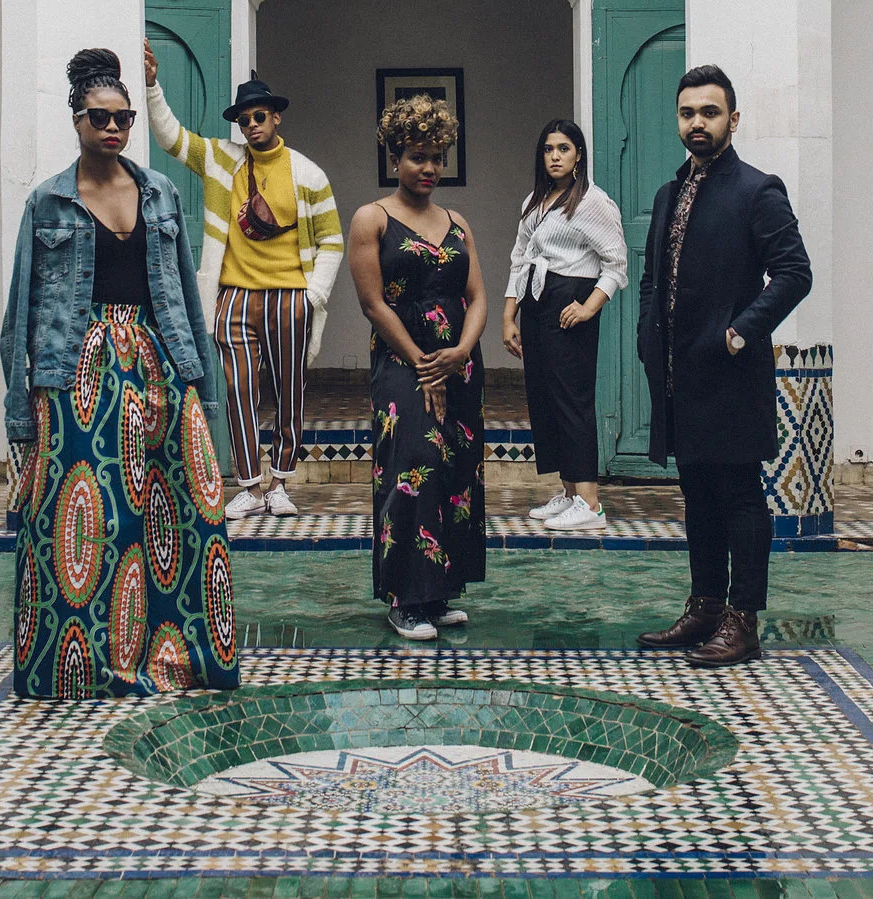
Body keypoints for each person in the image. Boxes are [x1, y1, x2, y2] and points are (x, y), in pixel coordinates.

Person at [0, 48, 238, 699]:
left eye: (124, 117)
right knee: (91, 519)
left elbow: (187, 299)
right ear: (76, 119)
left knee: (180, 511)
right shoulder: (46, 202)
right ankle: (78, 665)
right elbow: (18, 313)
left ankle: (175, 659)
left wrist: (203, 392)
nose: (113, 127)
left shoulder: (158, 193)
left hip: (159, 366)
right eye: (100, 117)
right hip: (77, 374)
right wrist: (21, 413)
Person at [633, 64, 813, 668]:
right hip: (680, 377)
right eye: (688, 113)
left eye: (709, 113)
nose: (697, 123)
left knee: (739, 496)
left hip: (732, 374)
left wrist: (739, 332)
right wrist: (645, 337)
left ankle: (743, 621)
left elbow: (794, 274)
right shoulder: (667, 193)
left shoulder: (758, 190)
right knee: (698, 494)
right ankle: (706, 607)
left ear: (732, 120)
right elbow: (654, 278)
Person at [143, 45, 344, 520]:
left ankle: (280, 483)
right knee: (239, 391)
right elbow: (171, 137)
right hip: (233, 296)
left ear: (276, 118)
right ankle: (251, 486)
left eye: (259, 116)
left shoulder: (307, 173)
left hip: (288, 298)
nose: (251, 125)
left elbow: (332, 241)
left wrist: (311, 297)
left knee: (290, 390)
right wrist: (152, 85)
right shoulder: (222, 160)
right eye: (244, 119)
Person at [348, 94, 488, 640]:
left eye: (436, 157)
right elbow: (373, 304)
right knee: (411, 465)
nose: (428, 168)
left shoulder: (457, 222)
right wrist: (424, 365)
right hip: (404, 363)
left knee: (455, 470)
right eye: (416, 156)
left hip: (459, 365)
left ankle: (439, 593)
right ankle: (405, 597)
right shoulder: (372, 219)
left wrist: (458, 355)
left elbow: (477, 296)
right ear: (393, 157)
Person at [501, 119, 628, 533]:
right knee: (545, 396)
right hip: (536, 301)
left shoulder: (593, 202)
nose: (555, 156)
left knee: (572, 399)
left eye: (564, 149)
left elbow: (616, 261)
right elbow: (519, 258)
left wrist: (590, 306)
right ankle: (570, 491)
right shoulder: (533, 202)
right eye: (549, 149)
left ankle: (590, 502)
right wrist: (509, 314)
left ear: (578, 156)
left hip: (569, 300)